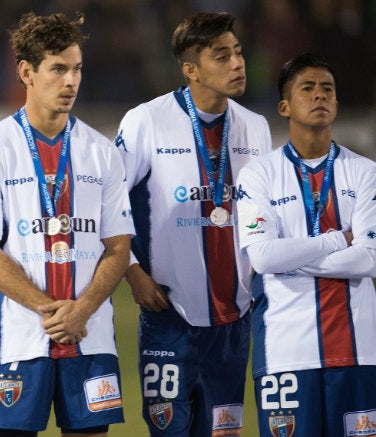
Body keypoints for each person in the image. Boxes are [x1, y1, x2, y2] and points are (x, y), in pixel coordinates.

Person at [0, 12, 135, 437]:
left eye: (76, 69)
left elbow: (118, 247)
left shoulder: (101, 151)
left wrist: (83, 310)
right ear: (26, 72)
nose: (71, 81)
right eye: (58, 69)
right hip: (20, 338)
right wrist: (52, 311)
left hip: (90, 338)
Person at [115, 12, 272, 437]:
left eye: (237, 52)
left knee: (223, 432)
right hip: (168, 312)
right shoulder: (145, 121)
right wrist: (132, 274)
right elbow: (108, 205)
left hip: (234, 316)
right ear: (191, 70)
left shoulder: (256, 128)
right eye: (222, 56)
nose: (237, 63)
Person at [236, 53, 376, 437]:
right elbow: (263, 257)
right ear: (284, 106)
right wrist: (334, 240)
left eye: (327, 89)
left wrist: (292, 258)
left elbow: (368, 258)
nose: (319, 95)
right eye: (308, 88)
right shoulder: (259, 174)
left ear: (336, 103)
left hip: (358, 350)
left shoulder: (365, 173)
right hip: (284, 352)